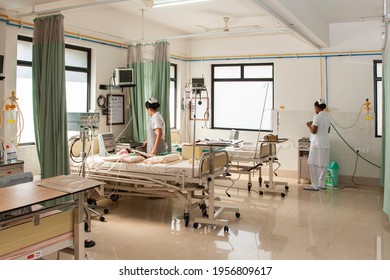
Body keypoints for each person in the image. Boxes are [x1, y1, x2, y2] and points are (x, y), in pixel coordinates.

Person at [304, 98, 331, 191]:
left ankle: (314, 185)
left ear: (317, 107)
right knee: (323, 164)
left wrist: (309, 126)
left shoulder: (317, 117)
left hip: (316, 144)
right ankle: (322, 184)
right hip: (325, 144)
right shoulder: (327, 117)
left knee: (312, 163)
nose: (314, 109)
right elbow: (328, 130)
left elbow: (314, 131)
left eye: (314, 107)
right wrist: (315, 125)